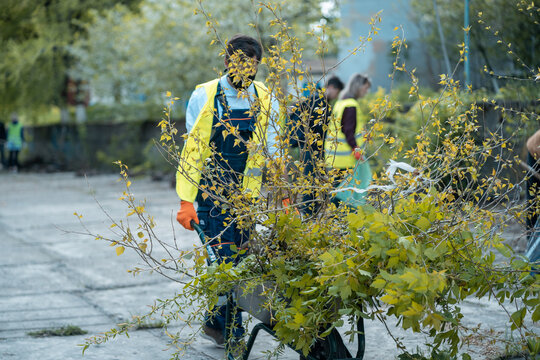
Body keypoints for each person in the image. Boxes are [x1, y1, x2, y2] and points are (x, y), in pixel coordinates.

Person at [175, 34, 280, 350]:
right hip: (210, 196)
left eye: (252, 66)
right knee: (222, 262)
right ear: (226, 61)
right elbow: (192, 152)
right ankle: (231, 328)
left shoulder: (265, 98)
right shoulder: (204, 96)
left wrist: (285, 196)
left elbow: (274, 149)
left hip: (246, 198)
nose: (246, 71)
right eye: (239, 64)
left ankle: (217, 322)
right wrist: (185, 200)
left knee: (243, 262)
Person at [287, 76, 344, 215]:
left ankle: (312, 211)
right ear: (331, 88)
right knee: (311, 181)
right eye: (337, 92)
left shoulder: (317, 99)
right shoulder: (319, 101)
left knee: (315, 180)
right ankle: (308, 213)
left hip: (312, 147)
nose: (336, 96)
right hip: (312, 148)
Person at [324, 73, 371, 206]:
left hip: (334, 156)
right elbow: (348, 132)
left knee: (337, 191)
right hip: (345, 158)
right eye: (365, 88)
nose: (366, 92)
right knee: (342, 194)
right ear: (358, 86)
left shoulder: (341, 102)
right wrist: (356, 150)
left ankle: (332, 220)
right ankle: (337, 220)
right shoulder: (351, 105)